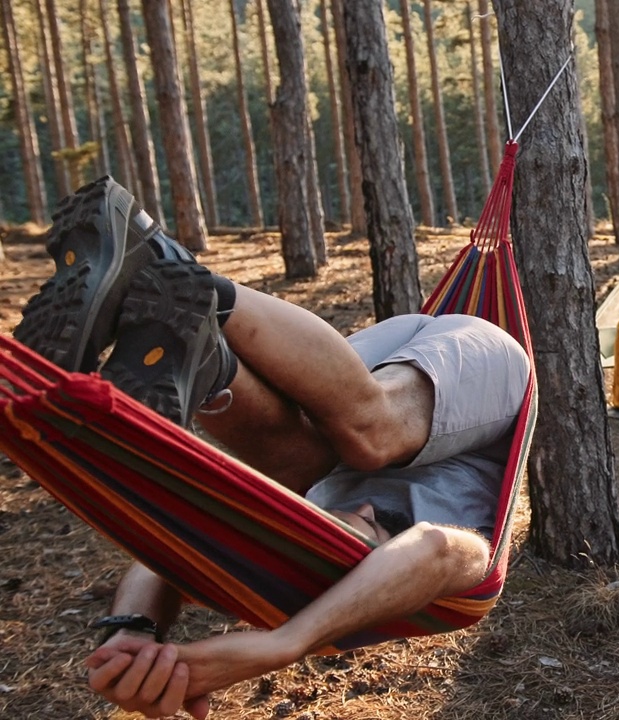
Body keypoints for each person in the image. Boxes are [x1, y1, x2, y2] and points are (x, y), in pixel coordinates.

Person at [13, 177, 531, 719]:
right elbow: (436, 551)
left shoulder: (306, 509)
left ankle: (207, 365)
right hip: (476, 362)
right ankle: (159, 259)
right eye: (350, 535)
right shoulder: (460, 551)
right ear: (374, 537)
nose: (341, 520)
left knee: (300, 459)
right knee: (371, 437)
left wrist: (134, 628)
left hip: (333, 383)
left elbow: (173, 548)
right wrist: (284, 645)